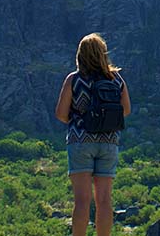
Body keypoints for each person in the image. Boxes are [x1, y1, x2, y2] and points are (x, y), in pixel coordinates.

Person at [54, 33, 131, 236]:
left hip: (80, 141)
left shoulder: (75, 79)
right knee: (104, 200)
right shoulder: (116, 80)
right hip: (109, 142)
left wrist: (80, 119)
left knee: (82, 200)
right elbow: (126, 110)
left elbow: (61, 114)